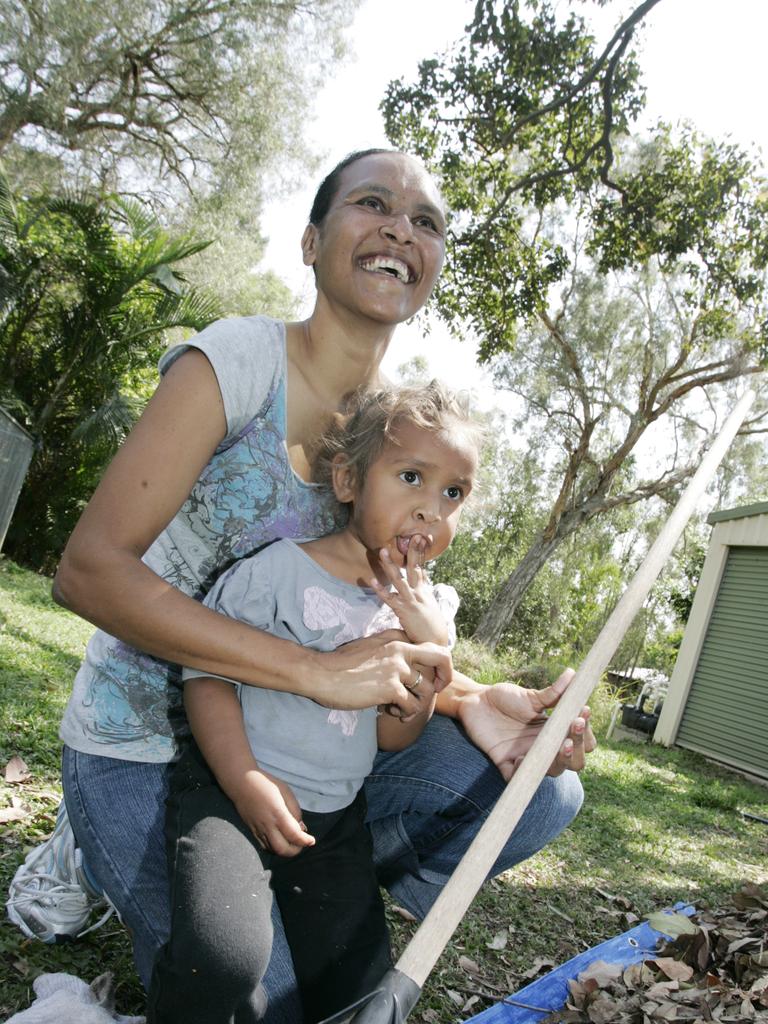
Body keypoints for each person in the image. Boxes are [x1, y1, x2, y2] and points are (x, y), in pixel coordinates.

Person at [7, 149, 595, 1023]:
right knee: (259, 997)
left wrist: (468, 696)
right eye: (373, 203)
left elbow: (353, 634)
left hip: (303, 743)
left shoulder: (402, 441)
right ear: (313, 241)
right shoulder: (240, 361)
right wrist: (309, 672)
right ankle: (96, 849)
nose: (402, 226)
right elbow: (87, 571)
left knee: (543, 790)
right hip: (144, 743)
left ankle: (307, 878)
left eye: (426, 220)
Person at [147, 381, 480, 1023]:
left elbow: (390, 740)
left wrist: (425, 670)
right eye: (411, 476)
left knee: (361, 991)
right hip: (230, 791)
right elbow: (206, 675)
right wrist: (243, 779)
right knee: (222, 961)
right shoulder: (279, 571)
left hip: (333, 819)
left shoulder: (434, 615)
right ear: (349, 480)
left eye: (453, 492)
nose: (430, 510)